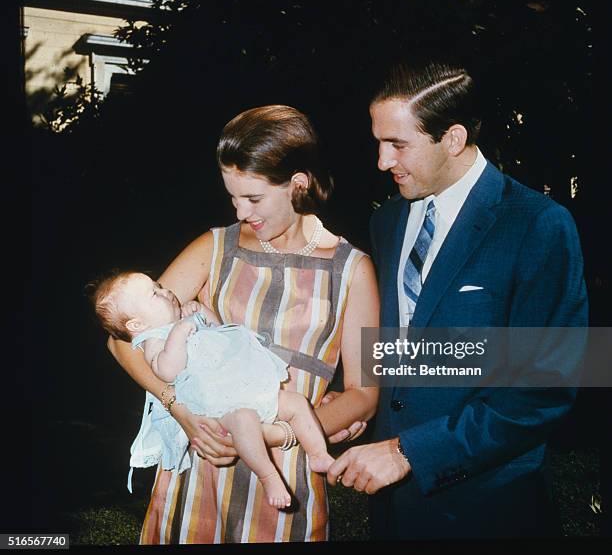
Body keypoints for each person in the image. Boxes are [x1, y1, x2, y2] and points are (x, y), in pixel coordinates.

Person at [327, 60, 588, 539]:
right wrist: (360, 405)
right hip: (392, 509)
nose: (382, 162)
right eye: (378, 143)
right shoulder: (387, 221)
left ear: (453, 138)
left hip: (488, 507)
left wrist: (409, 451)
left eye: (397, 145)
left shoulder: (537, 225)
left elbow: (545, 386)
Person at [108, 105, 380, 543]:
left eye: (253, 199)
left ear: (298, 184)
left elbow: (364, 395)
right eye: (232, 197)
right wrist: (183, 413)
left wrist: (280, 434)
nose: (240, 212)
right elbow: (123, 339)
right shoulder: (213, 248)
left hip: (288, 472)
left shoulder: (353, 270)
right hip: (202, 463)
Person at [92, 270, 335, 509]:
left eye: (159, 286)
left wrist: (201, 312)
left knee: (296, 403)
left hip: (249, 387)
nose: (166, 292)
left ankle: (318, 453)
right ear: (137, 323)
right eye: (155, 294)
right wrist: (178, 333)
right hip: (222, 403)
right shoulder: (154, 339)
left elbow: (221, 329)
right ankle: (269, 477)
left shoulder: (184, 319)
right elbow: (166, 371)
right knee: (245, 421)